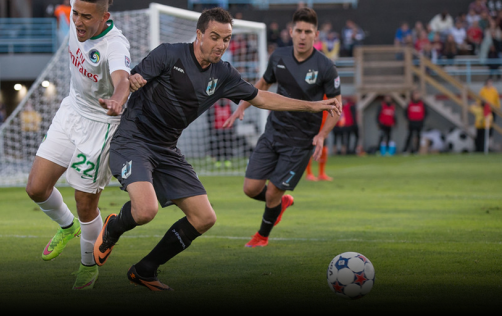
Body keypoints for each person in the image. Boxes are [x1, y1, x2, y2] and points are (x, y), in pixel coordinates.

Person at [92, 7, 341, 291]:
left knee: (204, 218)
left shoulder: (223, 73)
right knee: (146, 210)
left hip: (166, 149)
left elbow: (261, 97)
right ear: (199, 35)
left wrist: (312, 105)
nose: (221, 45)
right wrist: (125, 91)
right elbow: (128, 79)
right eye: (214, 37)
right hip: (133, 140)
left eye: (226, 39)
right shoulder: (169, 54)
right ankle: (113, 228)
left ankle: (145, 269)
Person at [24, 0, 131, 290]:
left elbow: (124, 80)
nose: (78, 22)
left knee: (85, 204)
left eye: (86, 16)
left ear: (104, 16)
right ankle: (67, 226)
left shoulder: (115, 45)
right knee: (36, 188)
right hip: (71, 111)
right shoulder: (77, 11)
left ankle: (88, 268)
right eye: (75, 14)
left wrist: (117, 102)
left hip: (101, 125)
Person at [223, 7, 341, 247]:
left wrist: (321, 134)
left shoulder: (326, 67)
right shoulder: (279, 57)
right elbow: (263, 84)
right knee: (250, 188)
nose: (303, 36)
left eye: (308, 31)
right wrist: (242, 106)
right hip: (273, 132)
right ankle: (282, 203)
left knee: (273, 191)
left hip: (300, 141)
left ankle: (261, 237)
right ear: (291, 31)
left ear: (316, 35)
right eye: (299, 30)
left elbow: (337, 107)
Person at [306, 111, 334, 181]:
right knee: (309, 150)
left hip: (322, 130)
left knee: (324, 150)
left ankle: (321, 173)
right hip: (311, 128)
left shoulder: (327, 101)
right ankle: (309, 174)